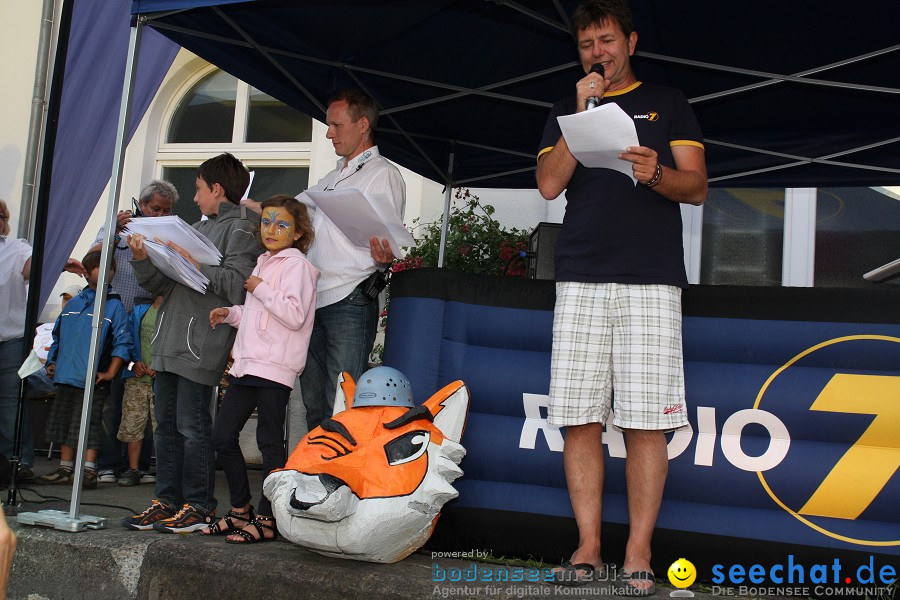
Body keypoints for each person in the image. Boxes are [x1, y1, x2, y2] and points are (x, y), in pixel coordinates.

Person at [535, 0, 707, 593]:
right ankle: (587, 545)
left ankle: (638, 549)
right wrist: (581, 114)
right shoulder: (566, 108)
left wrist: (656, 173)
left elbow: (698, 187)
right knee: (579, 416)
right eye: (586, 45)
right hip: (580, 274)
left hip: (652, 278)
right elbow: (549, 184)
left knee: (644, 422)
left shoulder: (671, 101)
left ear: (629, 41)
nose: (597, 54)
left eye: (605, 41)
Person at [122, 153, 261, 533]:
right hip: (169, 341)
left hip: (200, 343)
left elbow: (236, 285)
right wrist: (142, 259)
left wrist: (195, 263)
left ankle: (198, 505)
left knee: (192, 426)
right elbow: (160, 286)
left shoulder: (242, 229)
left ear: (217, 189)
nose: (195, 198)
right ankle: (167, 500)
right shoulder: (200, 226)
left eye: (199, 189)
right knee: (164, 426)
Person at [255, 89, 405, 431]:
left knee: (344, 402)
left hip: (350, 296)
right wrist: (257, 208)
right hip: (313, 298)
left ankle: (340, 482)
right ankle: (317, 477)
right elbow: (293, 210)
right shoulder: (333, 175)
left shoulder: (383, 174)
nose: (328, 133)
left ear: (363, 125)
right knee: (314, 403)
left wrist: (385, 255)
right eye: (328, 125)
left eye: (336, 125)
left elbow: (388, 243)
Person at [201, 195, 318, 543]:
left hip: (275, 368)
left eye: (281, 224)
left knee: (269, 443)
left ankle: (268, 519)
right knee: (222, 436)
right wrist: (231, 314)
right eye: (266, 222)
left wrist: (261, 288)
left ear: (297, 233)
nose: (271, 229)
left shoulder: (297, 266)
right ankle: (241, 510)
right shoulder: (263, 262)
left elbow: (294, 315)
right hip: (248, 364)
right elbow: (258, 314)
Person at [90, 180, 176, 485]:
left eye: (166, 210)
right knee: (113, 397)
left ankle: (139, 464)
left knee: (147, 397)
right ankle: (108, 463)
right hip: (115, 317)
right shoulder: (119, 228)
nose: (159, 214)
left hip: (148, 318)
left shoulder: (167, 235)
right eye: (155, 208)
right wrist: (113, 231)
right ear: (141, 204)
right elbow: (94, 258)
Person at [0, 199, 86, 485]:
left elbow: (33, 266)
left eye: (0, 216)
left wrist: (60, 262)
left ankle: (19, 463)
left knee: (11, 402)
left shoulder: (16, 249)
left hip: (10, 339)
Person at [37, 250, 131, 489]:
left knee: (90, 424)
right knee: (65, 422)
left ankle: (89, 470)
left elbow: (122, 341)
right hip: (66, 375)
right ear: (87, 271)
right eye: (100, 266)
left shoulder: (114, 306)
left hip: (94, 377)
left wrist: (110, 372)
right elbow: (58, 336)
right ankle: (65, 468)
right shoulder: (75, 302)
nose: (106, 270)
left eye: (110, 267)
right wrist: (52, 363)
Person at [115, 294, 163, 487]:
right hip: (136, 379)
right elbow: (123, 345)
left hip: (164, 380)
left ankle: (167, 471)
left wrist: (162, 366)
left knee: (163, 427)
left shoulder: (174, 312)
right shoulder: (138, 312)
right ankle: (133, 470)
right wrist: (132, 364)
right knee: (132, 424)